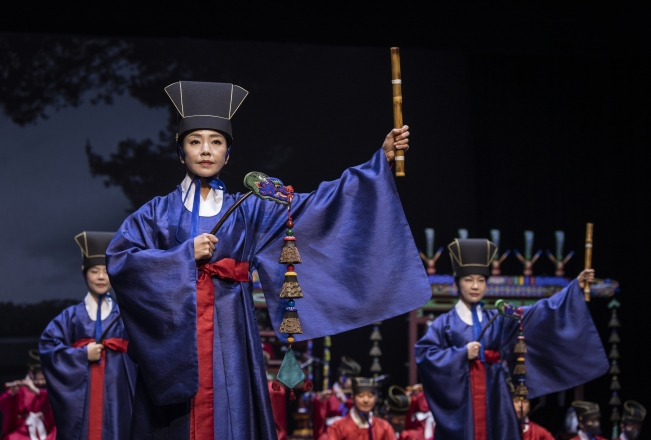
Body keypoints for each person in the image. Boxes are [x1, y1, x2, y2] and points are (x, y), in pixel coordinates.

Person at [106, 81, 431, 440]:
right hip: (178, 339)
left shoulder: (252, 207)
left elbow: (315, 206)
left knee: (232, 411)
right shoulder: (156, 213)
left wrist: (378, 161)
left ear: (228, 154)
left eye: (216, 142)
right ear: (180, 151)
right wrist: (184, 256)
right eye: (194, 141)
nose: (205, 150)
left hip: (231, 326)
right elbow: (122, 261)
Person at [415, 238, 608, 440]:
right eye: (468, 279)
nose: (475, 286)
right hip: (463, 400)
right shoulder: (444, 323)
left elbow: (538, 312)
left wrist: (574, 287)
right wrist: (461, 354)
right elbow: (424, 354)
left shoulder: (497, 317)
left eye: (481, 280)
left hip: (495, 395)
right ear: (457, 282)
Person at [39, 232, 137, 440]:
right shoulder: (71, 316)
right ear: (85, 274)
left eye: (106, 271)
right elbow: (49, 347)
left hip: (119, 391)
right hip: (84, 393)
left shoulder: (125, 314)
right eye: (94, 271)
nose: (101, 277)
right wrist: (83, 355)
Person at [0, 351, 56, 440]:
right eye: (41, 373)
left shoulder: (55, 389)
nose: (45, 376)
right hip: (25, 430)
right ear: (31, 373)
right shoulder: (22, 390)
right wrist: (12, 395)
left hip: (48, 429)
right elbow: (6, 408)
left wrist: (38, 392)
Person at [327, 378, 396, 440]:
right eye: (361, 396)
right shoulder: (338, 427)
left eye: (370, 396)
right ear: (353, 397)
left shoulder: (384, 428)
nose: (366, 400)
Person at [314, 356, 360, 439]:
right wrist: (319, 402)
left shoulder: (354, 396)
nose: (353, 383)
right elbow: (319, 419)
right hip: (331, 433)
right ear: (341, 378)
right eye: (351, 380)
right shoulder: (329, 395)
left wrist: (346, 402)